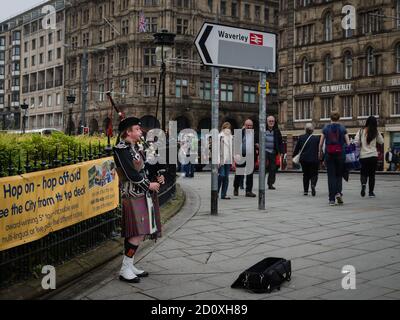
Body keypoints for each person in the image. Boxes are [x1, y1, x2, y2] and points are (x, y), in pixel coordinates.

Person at [113, 117, 165, 283]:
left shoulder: (136, 147)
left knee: (139, 232)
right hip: (132, 194)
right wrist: (148, 185)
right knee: (137, 232)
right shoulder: (121, 149)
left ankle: (129, 265)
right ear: (128, 132)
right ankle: (125, 268)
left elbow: (146, 166)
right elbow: (130, 173)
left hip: (142, 194)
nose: (140, 132)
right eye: (136, 129)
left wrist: (158, 175)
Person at [319, 111, 350, 206]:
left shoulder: (326, 128)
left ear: (330, 118)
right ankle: (338, 193)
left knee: (331, 176)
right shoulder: (342, 128)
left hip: (329, 154)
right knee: (339, 175)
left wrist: (320, 152)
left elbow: (321, 143)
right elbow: (348, 143)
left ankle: (331, 199)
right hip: (341, 155)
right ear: (339, 118)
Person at [355, 116, 384, 198]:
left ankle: (363, 185)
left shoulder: (361, 131)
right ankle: (371, 192)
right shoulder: (376, 132)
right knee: (372, 175)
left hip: (363, 156)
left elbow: (356, 142)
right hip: (373, 156)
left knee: (363, 173)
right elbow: (381, 141)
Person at [293, 123, 320, 196]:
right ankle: (313, 185)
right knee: (314, 174)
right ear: (312, 130)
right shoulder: (316, 138)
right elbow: (319, 149)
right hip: (314, 159)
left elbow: (297, 149)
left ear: (305, 129)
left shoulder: (301, 137)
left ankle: (305, 191)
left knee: (306, 174)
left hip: (304, 160)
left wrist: (294, 156)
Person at [233, 119, 258, 197]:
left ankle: (248, 191)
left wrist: (257, 145)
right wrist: (236, 154)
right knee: (239, 173)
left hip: (251, 155)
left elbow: (257, 142)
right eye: (248, 125)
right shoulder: (239, 133)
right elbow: (236, 144)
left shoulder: (255, 133)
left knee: (250, 174)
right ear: (245, 125)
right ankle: (236, 188)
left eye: (251, 125)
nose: (249, 127)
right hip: (241, 155)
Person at [264, 116, 284, 190]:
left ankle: (270, 184)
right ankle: (262, 182)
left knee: (273, 168)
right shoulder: (263, 130)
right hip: (264, 151)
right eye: (270, 121)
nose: (271, 122)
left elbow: (280, 142)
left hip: (273, 151)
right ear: (267, 122)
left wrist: (281, 151)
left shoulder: (277, 130)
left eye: (273, 121)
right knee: (264, 168)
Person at [218, 122, 234, 199]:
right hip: (221, 160)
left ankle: (223, 194)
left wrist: (233, 161)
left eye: (229, 128)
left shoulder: (231, 137)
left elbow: (232, 149)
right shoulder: (220, 136)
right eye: (226, 128)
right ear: (223, 128)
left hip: (228, 160)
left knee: (226, 177)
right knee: (222, 175)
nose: (227, 130)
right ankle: (216, 191)